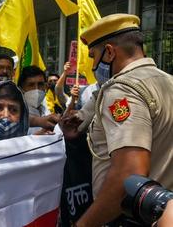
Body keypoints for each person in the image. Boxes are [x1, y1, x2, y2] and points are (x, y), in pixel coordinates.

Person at [61, 14, 173, 226]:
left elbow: (129, 175)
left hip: (131, 218)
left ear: (110, 52)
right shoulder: (168, 82)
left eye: (94, 56)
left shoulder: (122, 91)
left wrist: (84, 224)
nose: (94, 66)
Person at [18, 65, 59, 134]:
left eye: (40, 84)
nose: (36, 89)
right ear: (21, 89)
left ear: (45, 86)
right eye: (31, 85)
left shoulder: (44, 107)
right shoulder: (17, 113)